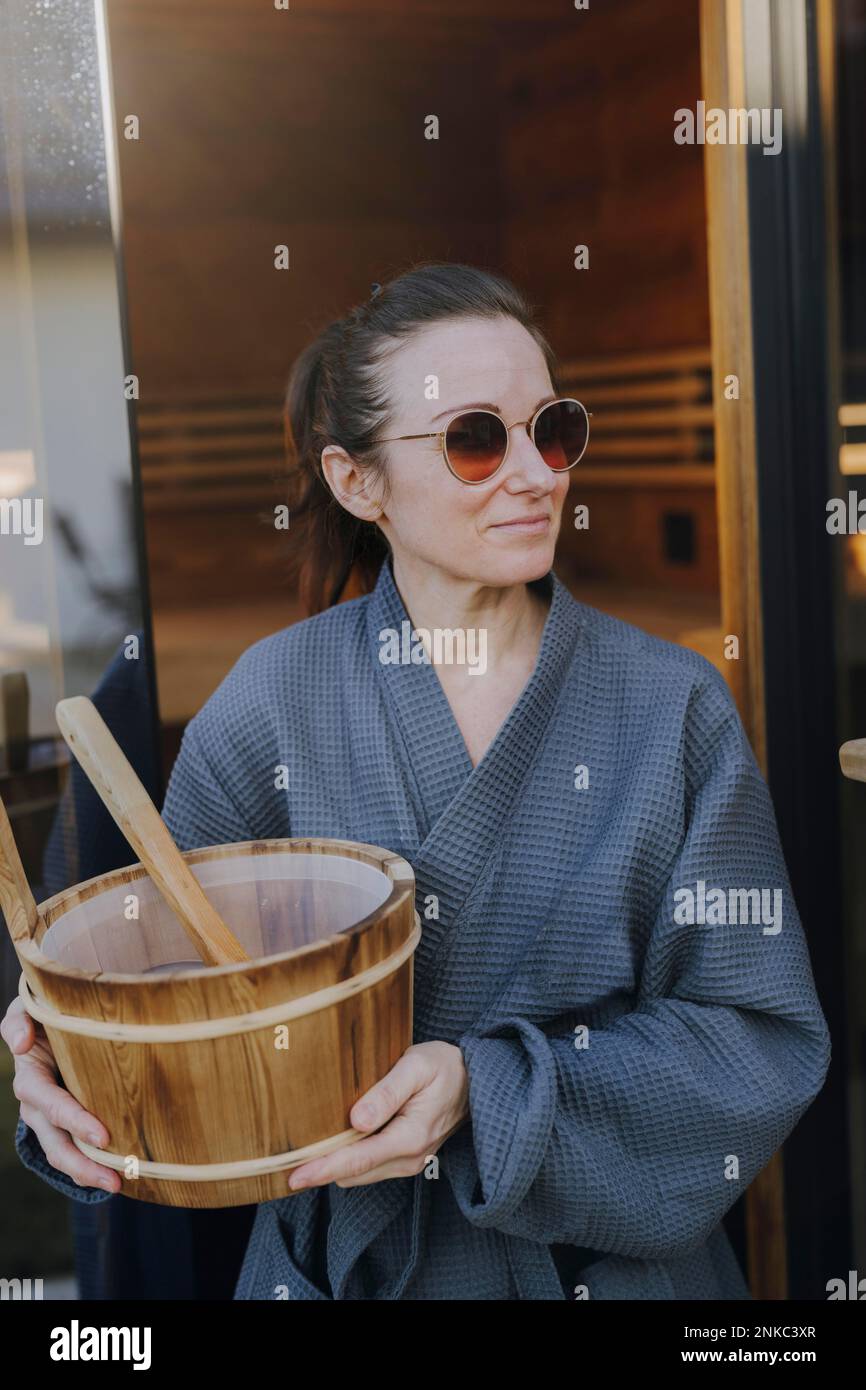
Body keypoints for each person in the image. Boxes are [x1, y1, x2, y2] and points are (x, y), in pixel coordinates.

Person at [2, 261, 831, 1300]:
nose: (534, 473)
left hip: (599, 1275)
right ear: (357, 482)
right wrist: (63, 1060)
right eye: (475, 438)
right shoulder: (272, 700)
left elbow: (754, 1036)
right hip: (350, 1274)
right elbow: (165, 995)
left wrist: (486, 1097)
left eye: (552, 428)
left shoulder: (669, 704)